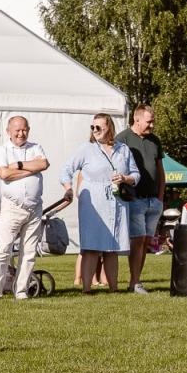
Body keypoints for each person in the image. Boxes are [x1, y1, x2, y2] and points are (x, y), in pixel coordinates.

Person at [61, 112, 139, 293]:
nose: (94, 130)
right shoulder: (86, 149)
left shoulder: (123, 149)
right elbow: (66, 170)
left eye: (98, 127)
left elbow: (136, 174)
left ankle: (114, 289)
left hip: (117, 200)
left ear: (108, 127)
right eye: (92, 127)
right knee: (91, 246)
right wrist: (68, 188)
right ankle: (86, 289)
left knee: (112, 246)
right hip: (93, 202)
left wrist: (125, 178)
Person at [0, 115, 49, 301]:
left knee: (29, 252)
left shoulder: (36, 147)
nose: (21, 133)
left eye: (24, 130)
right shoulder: (2, 150)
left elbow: (44, 164)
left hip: (34, 207)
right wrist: (31, 169)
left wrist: (19, 165)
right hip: (12, 207)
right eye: (17, 130)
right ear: (8, 132)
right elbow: (4, 174)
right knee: (3, 249)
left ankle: (21, 291)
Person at [118, 104, 165, 294]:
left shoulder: (155, 140)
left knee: (146, 242)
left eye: (153, 121)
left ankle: (136, 280)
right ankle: (135, 282)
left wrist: (160, 197)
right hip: (135, 199)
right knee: (137, 240)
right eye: (149, 121)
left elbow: (160, 170)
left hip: (154, 201)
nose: (152, 125)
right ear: (136, 119)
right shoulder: (123, 139)